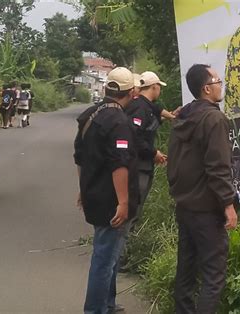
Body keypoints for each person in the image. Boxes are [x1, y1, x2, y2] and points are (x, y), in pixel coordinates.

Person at [167, 64, 237, 314]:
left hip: (185, 206)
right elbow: (218, 166)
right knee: (213, 276)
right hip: (206, 209)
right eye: (218, 80)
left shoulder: (183, 117)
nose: (221, 85)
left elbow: (173, 162)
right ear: (207, 88)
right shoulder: (214, 119)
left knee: (186, 269)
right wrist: (228, 204)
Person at [73, 67, 139, 314]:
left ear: (107, 88)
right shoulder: (119, 122)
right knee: (104, 259)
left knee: (110, 254)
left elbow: (79, 157)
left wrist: (83, 188)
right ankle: (95, 309)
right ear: (132, 92)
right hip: (111, 200)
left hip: (93, 195)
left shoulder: (90, 114)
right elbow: (119, 164)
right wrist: (123, 202)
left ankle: (108, 304)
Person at [124, 71, 171, 224]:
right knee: (134, 203)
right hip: (138, 165)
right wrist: (154, 153)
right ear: (154, 86)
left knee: (137, 202)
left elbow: (153, 118)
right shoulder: (139, 108)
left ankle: (126, 238)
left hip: (144, 163)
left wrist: (172, 116)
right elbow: (134, 136)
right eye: (159, 87)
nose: (160, 90)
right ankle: (124, 239)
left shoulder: (144, 105)